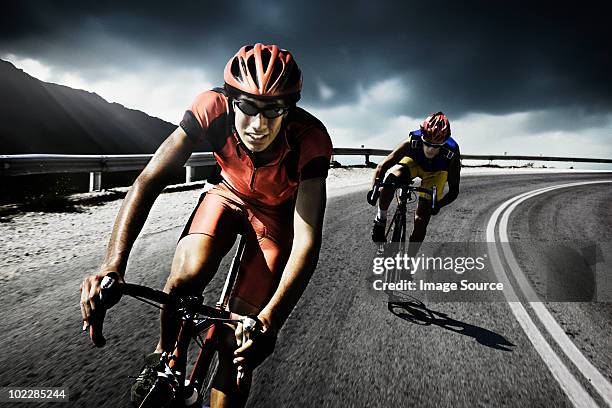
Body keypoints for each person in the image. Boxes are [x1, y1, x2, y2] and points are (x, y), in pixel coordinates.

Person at [79, 43, 332, 407]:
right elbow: (149, 180)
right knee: (186, 276)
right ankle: (163, 356)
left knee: (238, 341)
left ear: (289, 108)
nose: (258, 125)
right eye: (247, 107)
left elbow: (307, 239)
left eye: (273, 110)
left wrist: (270, 322)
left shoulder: (311, 138)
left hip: (277, 218)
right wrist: (112, 266)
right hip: (227, 195)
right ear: (230, 100)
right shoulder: (209, 107)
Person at [370, 112, 460, 244]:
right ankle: (380, 219)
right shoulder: (413, 140)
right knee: (391, 180)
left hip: (436, 173)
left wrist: (438, 205)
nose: (430, 150)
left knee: (421, 220)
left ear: (445, 142)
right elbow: (382, 166)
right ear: (422, 135)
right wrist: (375, 190)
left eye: (436, 146)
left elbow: (454, 190)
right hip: (414, 162)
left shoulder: (452, 153)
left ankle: (410, 257)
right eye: (427, 143)